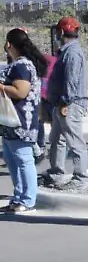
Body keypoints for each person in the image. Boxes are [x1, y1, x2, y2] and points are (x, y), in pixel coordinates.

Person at [1, 27, 49, 213]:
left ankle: (27, 200)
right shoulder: (19, 64)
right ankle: (19, 198)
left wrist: (0, 87)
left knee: (23, 161)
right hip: (10, 123)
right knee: (13, 160)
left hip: (20, 122)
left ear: (9, 45)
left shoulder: (22, 65)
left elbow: (21, 91)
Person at [43, 16, 88, 189]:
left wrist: (64, 103)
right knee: (57, 140)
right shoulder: (67, 52)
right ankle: (56, 174)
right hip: (62, 104)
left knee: (75, 141)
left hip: (69, 104)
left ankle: (81, 178)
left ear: (61, 32)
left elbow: (71, 81)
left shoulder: (72, 53)